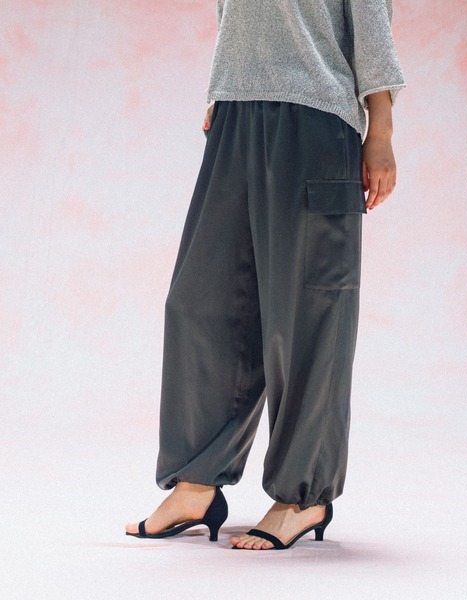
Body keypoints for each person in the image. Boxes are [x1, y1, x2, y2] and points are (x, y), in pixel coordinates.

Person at [125, 0, 405, 551]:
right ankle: (196, 482)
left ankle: (304, 496)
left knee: (305, 313)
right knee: (202, 303)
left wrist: (381, 130)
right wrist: (221, 89)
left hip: (316, 116)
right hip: (236, 113)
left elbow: (372, 21)